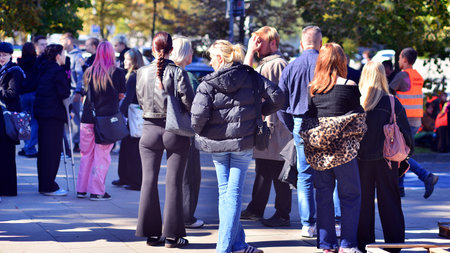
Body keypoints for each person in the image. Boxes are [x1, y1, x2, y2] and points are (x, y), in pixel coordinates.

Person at [191, 39, 284, 253]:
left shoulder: (207, 83)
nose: (210, 62)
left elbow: (197, 120)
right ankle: (236, 244)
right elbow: (278, 98)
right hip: (243, 142)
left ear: (221, 58)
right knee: (230, 194)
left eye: (212, 58)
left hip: (218, 144)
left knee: (227, 194)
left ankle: (223, 248)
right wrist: (262, 111)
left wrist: (209, 129)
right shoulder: (251, 76)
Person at [300, 42, 366, 253]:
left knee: (324, 197)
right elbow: (359, 119)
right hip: (344, 153)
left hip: (320, 153)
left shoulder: (314, 88)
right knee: (351, 196)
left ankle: (327, 245)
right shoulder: (350, 86)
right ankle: (347, 244)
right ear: (341, 60)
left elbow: (309, 120)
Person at [135, 32, 194, 248]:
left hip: (149, 129)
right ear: (171, 50)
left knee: (148, 181)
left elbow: (141, 100)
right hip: (174, 129)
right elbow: (190, 102)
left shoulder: (141, 72)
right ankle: (172, 235)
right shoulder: (177, 72)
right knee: (173, 183)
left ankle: (151, 234)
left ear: (152, 49)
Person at [357, 61, 412, 253]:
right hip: (387, 160)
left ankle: (363, 243)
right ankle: (394, 243)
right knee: (390, 200)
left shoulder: (358, 101)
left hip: (360, 160)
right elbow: (406, 135)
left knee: (363, 202)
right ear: (383, 76)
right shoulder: (392, 101)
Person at [240, 26, 292, 227]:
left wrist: (250, 52)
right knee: (265, 169)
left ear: (273, 43)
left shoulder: (276, 64)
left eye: (260, 42)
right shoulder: (269, 63)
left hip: (274, 127)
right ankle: (257, 208)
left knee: (278, 171)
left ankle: (281, 212)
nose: (257, 45)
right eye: (255, 41)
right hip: (270, 125)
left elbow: (277, 96)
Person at [277, 25, 321, 237]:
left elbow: (280, 104)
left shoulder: (291, 67)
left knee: (304, 176)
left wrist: (291, 125)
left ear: (302, 44)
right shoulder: (326, 65)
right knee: (328, 173)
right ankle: (333, 221)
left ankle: (307, 224)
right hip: (324, 123)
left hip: (300, 123)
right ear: (320, 43)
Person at [76, 41, 126, 200]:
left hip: (88, 118)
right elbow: (121, 95)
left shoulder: (89, 71)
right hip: (107, 120)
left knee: (86, 154)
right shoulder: (118, 73)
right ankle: (97, 191)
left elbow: (85, 93)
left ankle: (81, 189)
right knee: (102, 156)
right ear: (112, 54)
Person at [389, 47, 439, 198]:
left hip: (404, 120)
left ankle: (426, 176)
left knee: (400, 153)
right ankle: (400, 186)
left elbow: (388, 91)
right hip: (416, 120)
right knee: (402, 151)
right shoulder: (418, 76)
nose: (398, 61)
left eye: (399, 58)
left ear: (404, 59)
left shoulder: (402, 75)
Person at [169, 35, 204, 228]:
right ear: (184, 53)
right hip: (184, 130)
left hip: (163, 130)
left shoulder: (162, 72)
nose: (192, 54)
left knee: (174, 176)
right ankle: (186, 216)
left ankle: (173, 215)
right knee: (190, 176)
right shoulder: (186, 76)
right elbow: (196, 106)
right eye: (190, 50)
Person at [33, 44, 71, 196]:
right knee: (52, 151)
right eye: (63, 54)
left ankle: (45, 183)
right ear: (57, 56)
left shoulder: (44, 68)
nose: (65, 57)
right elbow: (64, 93)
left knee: (44, 151)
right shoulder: (57, 71)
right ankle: (48, 185)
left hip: (43, 114)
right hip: (53, 115)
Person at [113, 48, 145, 191]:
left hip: (133, 115)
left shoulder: (133, 76)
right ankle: (125, 177)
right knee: (127, 147)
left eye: (127, 60)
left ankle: (134, 180)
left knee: (131, 149)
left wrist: (120, 114)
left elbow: (128, 98)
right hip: (135, 115)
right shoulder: (138, 75)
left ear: (134, 61)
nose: (124, 62)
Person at [0, 42, 24, 196]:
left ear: (10, 55)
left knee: (7, 153)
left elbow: (12, 94)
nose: (1, 57)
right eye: (0, 54)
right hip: (1, 116)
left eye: (4, 55)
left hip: (7, 117)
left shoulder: (13, 71)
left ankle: (8, 189)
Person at [60, 32, 84, 153]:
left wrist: (78, 91)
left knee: (75, 119)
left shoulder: (77, 56)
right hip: (66, 90)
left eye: (62, 41)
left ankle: (76, 143)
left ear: (69, 41)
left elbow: (80, 76)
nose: (61, 43)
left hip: (73, 91)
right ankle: (65, 143)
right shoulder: (64, 54)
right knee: (65, 117)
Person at [17, 42, 38, 158]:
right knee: (35, 121)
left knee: (24, 121)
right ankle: (30, 147)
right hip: (34, 93)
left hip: (22, 95)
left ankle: (26, 146)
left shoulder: (19, 63)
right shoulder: (37, 62)